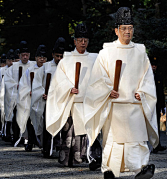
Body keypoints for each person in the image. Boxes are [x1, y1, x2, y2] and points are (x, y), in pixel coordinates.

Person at [83, 7, 158, 179]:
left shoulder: (140, 51)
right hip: (114, 106)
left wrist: (142, 92)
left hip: (134, 104)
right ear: (116, 30)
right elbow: (97, 78)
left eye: (130, 28)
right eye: (123, 28)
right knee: (113, 141)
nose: (127, 31)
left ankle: (140, 169)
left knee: (136, 140)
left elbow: (147, 77)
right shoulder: (106, 52)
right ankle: (110, 170)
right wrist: (108, 90)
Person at [46, 23, 102, 168]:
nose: (83, 42)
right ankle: (69, 159)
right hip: (72, 101)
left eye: (85, 39)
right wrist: (68, 88)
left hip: (89, 102)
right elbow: (58, 81)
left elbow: (101, 78)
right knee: (70, 133)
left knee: (92, 132)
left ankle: (93, 159)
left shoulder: (95, 59)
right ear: (74, 41)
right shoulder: (66, 60)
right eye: (80, 39)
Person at [30, 37, 65, 157]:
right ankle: (46, 148)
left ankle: (61, 146)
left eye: (61, 56)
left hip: (62, 100)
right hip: (48, 101)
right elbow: (37, 83)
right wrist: (42, 93)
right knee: (47, 124)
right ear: (53, 55)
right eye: (57, 56)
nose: (59, 59)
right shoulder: (46, 67)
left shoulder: (67, 67)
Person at [0, 41, 36, 145]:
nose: (25, 57)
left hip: (29, 96)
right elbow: (7, 81)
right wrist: (16, 86)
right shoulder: (13, 68)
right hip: (17, 96)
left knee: (29, 119)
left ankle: (31, 139)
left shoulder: (33, 65)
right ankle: (16, 137)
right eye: (23, 55)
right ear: (19, 55)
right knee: (17, 117)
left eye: (27, 55)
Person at [15, 44, 47, 151]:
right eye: (39, 57)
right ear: (36, 58)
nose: (41, 60)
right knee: (30, 117)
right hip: (31, 98)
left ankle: (43, 141)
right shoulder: (30, 70)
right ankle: (30, 140)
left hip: (45, 98)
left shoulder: (48, 69)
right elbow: (24, 84)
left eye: (44, 58)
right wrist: (29, 91)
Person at [151, 57, 166, 153]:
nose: (153, 67)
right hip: (148, 104)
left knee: (156, 124)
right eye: (152, 65)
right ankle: (151, 145)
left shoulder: (158, 77)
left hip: (157, 104)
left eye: (155, 66)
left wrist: (163, 106)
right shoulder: (146, 77)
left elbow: (161, 93)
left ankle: (157, 145)